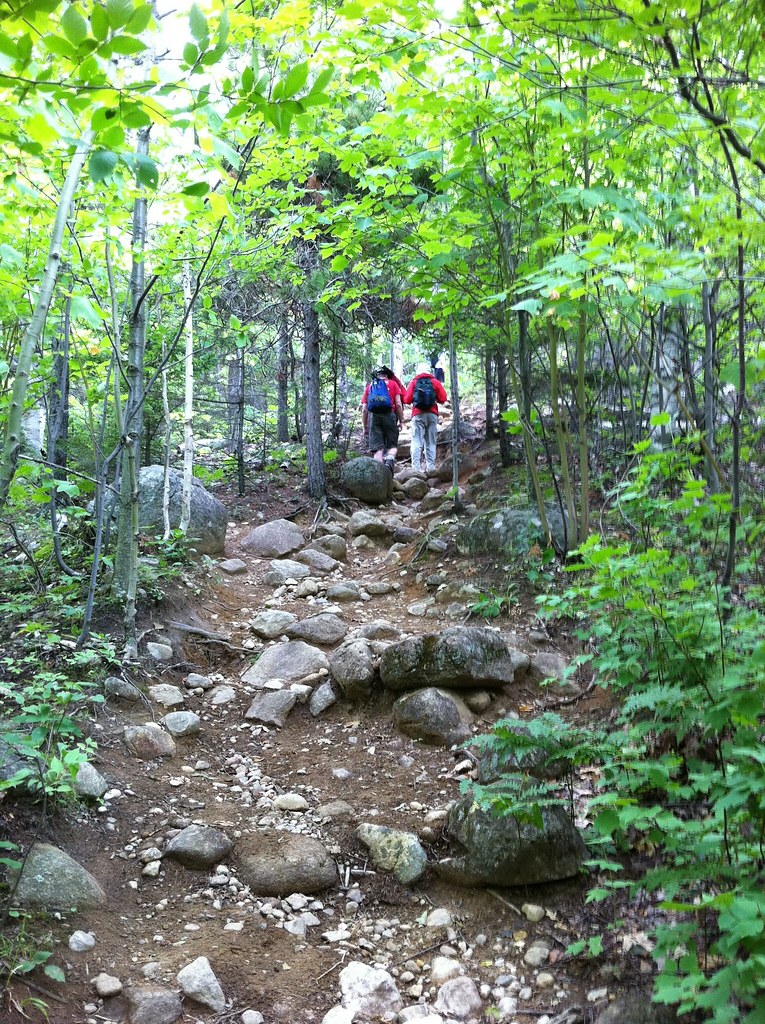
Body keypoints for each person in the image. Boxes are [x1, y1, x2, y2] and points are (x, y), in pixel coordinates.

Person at [404, 361, 447, 474]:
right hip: (432, 414)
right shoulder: (435, 381)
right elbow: (443, 398)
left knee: (417, 441)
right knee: (431, 442)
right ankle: (431, 468)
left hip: (418, 414)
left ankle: (416, 469)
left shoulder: (414, 382)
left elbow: (407, 399)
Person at [361, 365, 405, 474]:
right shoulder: (393, 384)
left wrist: (364, 426)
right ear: (387, 375)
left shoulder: (371, 386)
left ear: (377, 375)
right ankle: (389, 463)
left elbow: (364, 409)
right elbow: (399, 404)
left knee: (377, 448)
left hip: (374, 416)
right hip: (389, 415)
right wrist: (401, 421)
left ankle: (380, 474)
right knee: (392, 445)